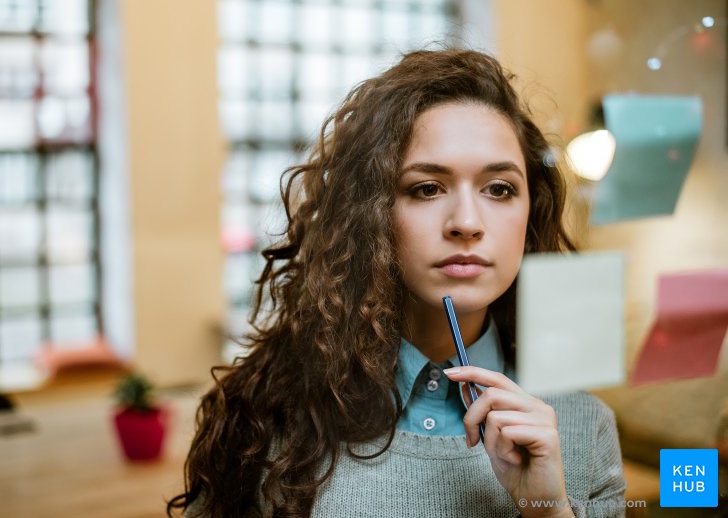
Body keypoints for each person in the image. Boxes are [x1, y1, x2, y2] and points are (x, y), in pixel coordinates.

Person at [168, 48, 627, 518]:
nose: (466, 222)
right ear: (370, 215)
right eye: (426, 188)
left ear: (531, 214)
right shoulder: (268, 418)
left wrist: (549, 509)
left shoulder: (582, 429)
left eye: (499, 189)